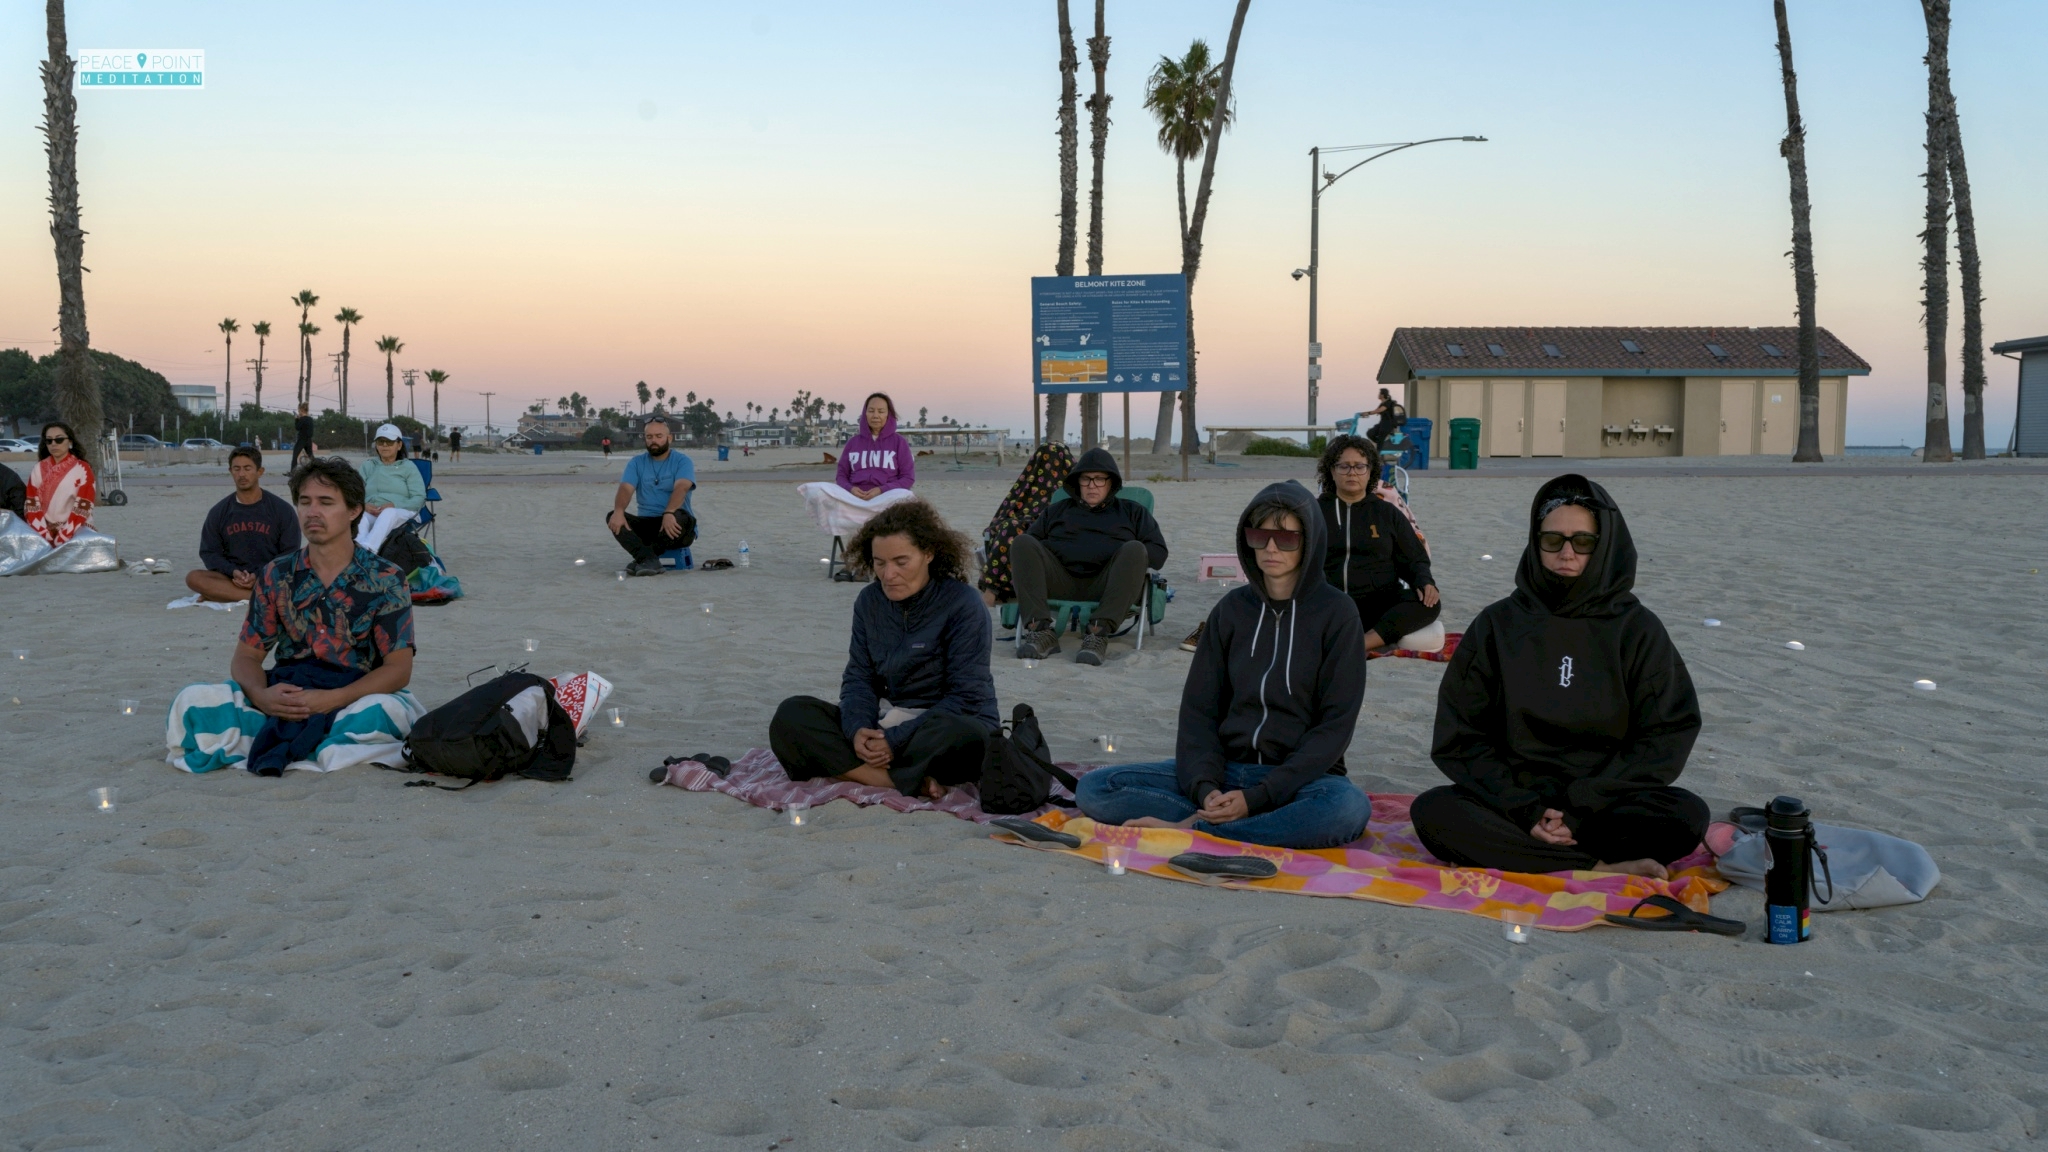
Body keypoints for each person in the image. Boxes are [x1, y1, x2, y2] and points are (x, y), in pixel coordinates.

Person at [1411, 475, 1707, 879]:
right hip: (1516, 800)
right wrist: (1525, 808)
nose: (1567, 552)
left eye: (1582, 542)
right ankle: (1598, 867)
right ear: (1536, 544)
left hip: (1603, 802)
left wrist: (1581, 809)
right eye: (1553, 541)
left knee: (1687, 815)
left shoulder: (1637, 628)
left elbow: (1666, 732)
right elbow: (1461, 735)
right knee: (1434, 812)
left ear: (1603, 546)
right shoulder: (1498, 623)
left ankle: (1539, 857)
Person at [1073, 481, 1371, 849]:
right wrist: (1205, 788)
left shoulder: (1337, 613)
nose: (1270, 548)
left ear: (1309, 542)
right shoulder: (1232, 610)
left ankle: (1198, 829)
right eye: (1258, 536)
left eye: (1286, 539)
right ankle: (1220, 816)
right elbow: (1200, 711)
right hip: (1226, 769)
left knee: (1346, 808)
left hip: (1300, 779)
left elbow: (1335, 726)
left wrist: (1260, 796)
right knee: (1096, 788)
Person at [165, 456, 423, 775]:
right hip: (287, 690)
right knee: (191, 701)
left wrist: (333, 699)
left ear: (354, 510)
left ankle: (307, 736)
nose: (312, 512)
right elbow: (246, 656)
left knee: (387, 711)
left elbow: (399, 669)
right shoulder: (277, 574)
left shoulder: (385, 577)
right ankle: (320, 742)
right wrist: (262, 697)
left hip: (354, 693)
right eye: (305, 502)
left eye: (326, 502)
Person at [770, 500, 996, 798]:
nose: (889, 575)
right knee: (792, 715)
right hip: (887, 724)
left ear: (928, 553)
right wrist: (858, 731)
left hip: (941, 727)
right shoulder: (869, 602)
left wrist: (895, 739)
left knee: (969, 736)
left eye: (901, 562)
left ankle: (856, 770)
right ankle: (894, 781)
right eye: (880, 563)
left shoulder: (963, 604)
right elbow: (859, 679)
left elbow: (966, 697)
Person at [1012, 447, 1168, 666]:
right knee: (1022, 543)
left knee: (1135, 548)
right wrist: (1059, 547)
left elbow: (1158, 553)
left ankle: (1097, 633)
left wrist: (1113, 552)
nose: (1092, 485)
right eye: (1086, 479)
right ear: (1077, 482)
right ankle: (1041, 632)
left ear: (1111, 483)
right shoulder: (1056, 511)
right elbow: (1031, 548)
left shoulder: (1133, 512)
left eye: (1099, 479)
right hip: (1060, 581)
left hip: (1108, 585)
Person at [1316, 435, 1441, 652]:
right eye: (1344, 466)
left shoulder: (1386, 513)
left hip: (1378, 605)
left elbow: (1414, 558)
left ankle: (1361, 644)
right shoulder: (1314, 512)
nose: (1352, 472)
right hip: (1328, 603)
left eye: (1359, 466)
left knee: (1429, 603)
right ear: (1332, 471)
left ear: (1371, 471)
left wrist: (1424, 581)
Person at [798, 392, 917, 566]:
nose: (875, 415)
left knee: (906, 496)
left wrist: (881, 490)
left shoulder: (899, 443)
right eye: (871, 410)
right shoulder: (853, 443)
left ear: (888, 415)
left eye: (881, 411)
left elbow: (907, 478)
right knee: (817, 489)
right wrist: (851, 489)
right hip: (853, 497)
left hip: (884, 498)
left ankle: (867, 526)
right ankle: (850, 519)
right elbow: (841, 475)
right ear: (865, 413)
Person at [186, 446, 300, 603]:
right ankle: (255, 597)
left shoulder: (282, 510)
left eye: (247, 468)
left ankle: (223, 594)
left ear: (260, 471)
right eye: (237, 469)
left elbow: (290, 552)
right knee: (193, 578)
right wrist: (233, 572)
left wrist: (259, 574)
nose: (242, 474)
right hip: (232, 578)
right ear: (230, 471)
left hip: (270, 575)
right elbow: (209, 553)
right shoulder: (219, 512)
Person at [606, 415, 695, 576]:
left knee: (682, 516)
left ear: (669, 438)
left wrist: (668, 512)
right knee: (613, 516)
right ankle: (649, 560)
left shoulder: (682, 461)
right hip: (648, 525)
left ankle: (644, 558)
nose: (653, 440)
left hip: (676, 524)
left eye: (659, 436)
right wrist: (619, 511)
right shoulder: (636, 463)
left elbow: (681, 488)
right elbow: (625, 489)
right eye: (649, 437)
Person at [355, 424, 427, 553]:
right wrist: (363, 505)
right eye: (380, 442)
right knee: (361, 517)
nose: (384, 445)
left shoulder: (408, 467)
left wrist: (394, 505)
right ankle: (357, 550)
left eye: (389, 442)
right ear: (376, 445)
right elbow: (354, 492)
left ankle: (368, 550)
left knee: (389, 513)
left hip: (402, 510)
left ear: (399, 445)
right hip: (372, 510)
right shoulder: (368, 466)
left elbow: (419, 497)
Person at [24, 421, 94, 546]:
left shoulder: (82, 469)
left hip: (77, 530)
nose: (54, 444)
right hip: (42, 533)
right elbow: (32, 503)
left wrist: (66, 534)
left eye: (59, 440)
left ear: (70, 442)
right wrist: (43, 533)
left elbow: (84, 505)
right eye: (49, 441)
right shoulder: (38, 468)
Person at [290, 404, 317, 469]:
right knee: (311, 456)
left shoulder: (302, 419)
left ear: (301, 410)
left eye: (299, 411)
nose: (299, 412)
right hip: (308, 439)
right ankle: (317, 467)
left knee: (295, 455)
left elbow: (297, 427)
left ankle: (293, 471)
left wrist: (296, 420)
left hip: (301, 439)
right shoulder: (310, 419)